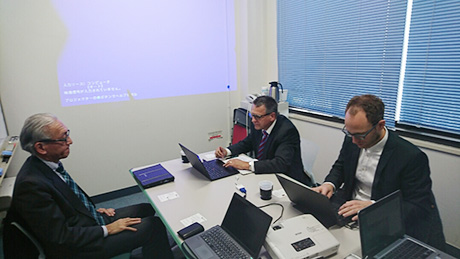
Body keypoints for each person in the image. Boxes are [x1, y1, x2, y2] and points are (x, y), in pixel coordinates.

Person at [3, 113, 174, 259]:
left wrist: (92, 210)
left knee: (145, 208)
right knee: (153, 226)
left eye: (67, 134)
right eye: (63, 138)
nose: (70, 141)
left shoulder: (45, 165)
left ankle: (152, 250)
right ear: (41, 147)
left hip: (85, 222)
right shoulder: (31, 185)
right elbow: (60, 237)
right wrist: (106, 229)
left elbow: (67, 199)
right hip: (75, 247)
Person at [313, 94, 446, 250]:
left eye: (360, 135)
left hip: (384, 219)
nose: (354, 141)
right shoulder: (353, 138)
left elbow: (417, 206)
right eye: (349, 133)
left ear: (380, 125)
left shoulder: (411, 157)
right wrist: (330, 183)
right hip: (349, 209)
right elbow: (341, 166)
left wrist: (372, 206)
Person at [215, 96, 310, 186]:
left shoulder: (287, 131)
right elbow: (248, 142)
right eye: (251, 115)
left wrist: (246, 165)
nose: (253, 120)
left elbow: (281, 163)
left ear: (272, 116)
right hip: (264, 175)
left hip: (286, 180)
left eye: (257, 117)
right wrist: (227, 151)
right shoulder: (258, 123)